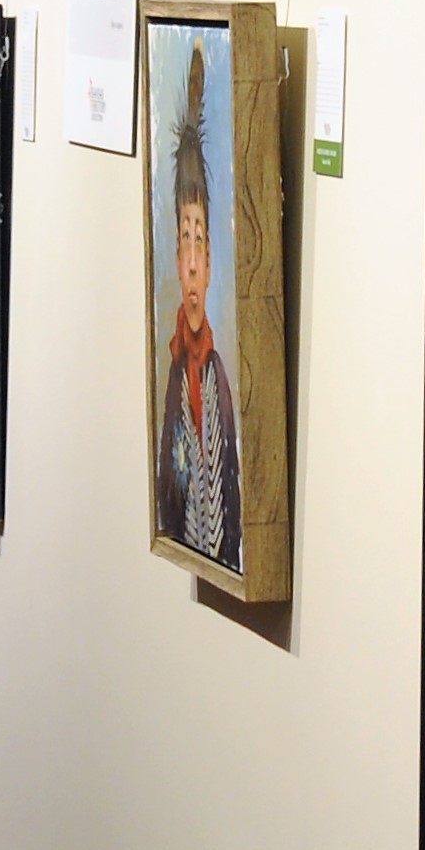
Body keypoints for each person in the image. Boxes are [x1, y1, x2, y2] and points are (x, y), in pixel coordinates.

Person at [153, 51, 241, 567]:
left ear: (209, 264)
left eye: (199, 242)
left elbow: (228, 490)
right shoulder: (172, 381)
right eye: (183, 240)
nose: (189, 265)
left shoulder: (218, 381)